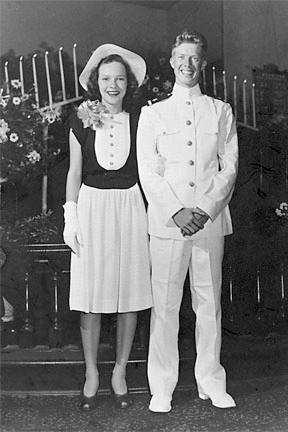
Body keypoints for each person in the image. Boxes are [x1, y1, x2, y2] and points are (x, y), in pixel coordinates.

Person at [137, 30, 238, 413]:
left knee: (209, 303)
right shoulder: (154, 113)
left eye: (194, 57)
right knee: (164, 305)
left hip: (209, 222)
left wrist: (206, 209)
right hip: (168, 222)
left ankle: (211, 381)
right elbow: (148, 170)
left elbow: (228, 169)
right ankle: (161, 386)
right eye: (181, 56)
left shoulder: (220, 110)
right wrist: (176, 210)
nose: (187, 64)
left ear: (203, 62)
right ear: (171, 60)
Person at [63, 44, 153, 411]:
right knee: (92, 297)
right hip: (92, 206)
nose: (112, 85)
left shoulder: (141, 119)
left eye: (119, 79)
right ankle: (91, 374)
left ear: (128, 83)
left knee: (129, 292)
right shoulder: (81, 118)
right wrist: (71, 215)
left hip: (130, 206)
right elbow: (73, 172)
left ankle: (118, 372)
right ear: (95, 82)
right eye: (105, 78)